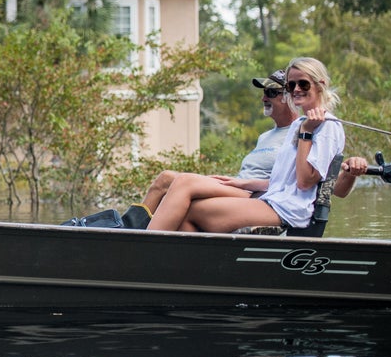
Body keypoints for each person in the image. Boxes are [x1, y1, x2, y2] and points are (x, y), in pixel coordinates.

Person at [147, 57, 345, 233]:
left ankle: (142, 249)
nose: (296, 90)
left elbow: (304, 182)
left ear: (320, 84)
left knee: (191, 200)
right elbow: (282, 180)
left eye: (303, 84)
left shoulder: (327, 127)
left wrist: (307, 133)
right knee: (188, 209)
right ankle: (184, 267)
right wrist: (242, 182)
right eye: (291, 85)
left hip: (289, 210)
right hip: (273, 199)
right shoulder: (299, 124)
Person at [120, 69, 297, 230]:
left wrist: (243, 183)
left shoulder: (298, 132)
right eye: (264, 93)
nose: (264, 98)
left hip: (255, 195)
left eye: (271, 93)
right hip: (237, 185)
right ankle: (127, 230)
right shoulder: (265, 137)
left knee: (185, 182)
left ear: (289, 98)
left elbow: (290, 182)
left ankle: (143, 244)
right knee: (165, 178)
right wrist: (236, 181)